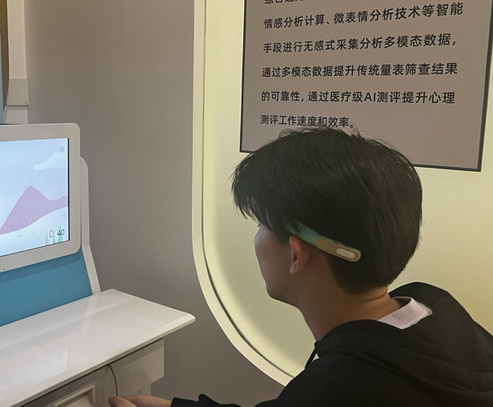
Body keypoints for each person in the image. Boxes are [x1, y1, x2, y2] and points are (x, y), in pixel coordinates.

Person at [109, 127, 493, 407]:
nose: (257, 238)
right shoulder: (434, 308)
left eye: (260, 225)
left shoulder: (336, 386)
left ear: (296, 253)